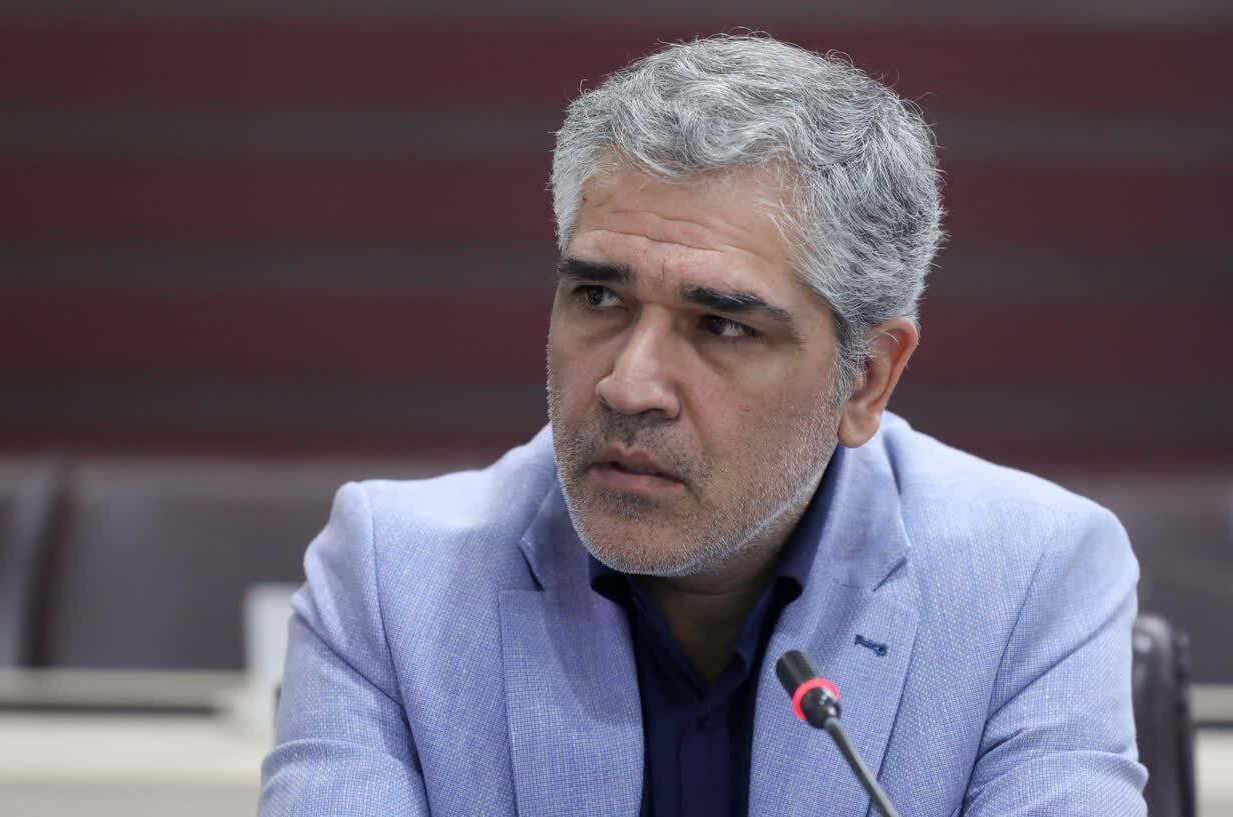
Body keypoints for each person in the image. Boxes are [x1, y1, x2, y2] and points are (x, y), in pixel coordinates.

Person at [259, 34, 1146, 816]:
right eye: (597, 296)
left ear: (866, 378)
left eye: (722, 324)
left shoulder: (1033, 578)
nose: (629, 384)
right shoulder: (390, 578)